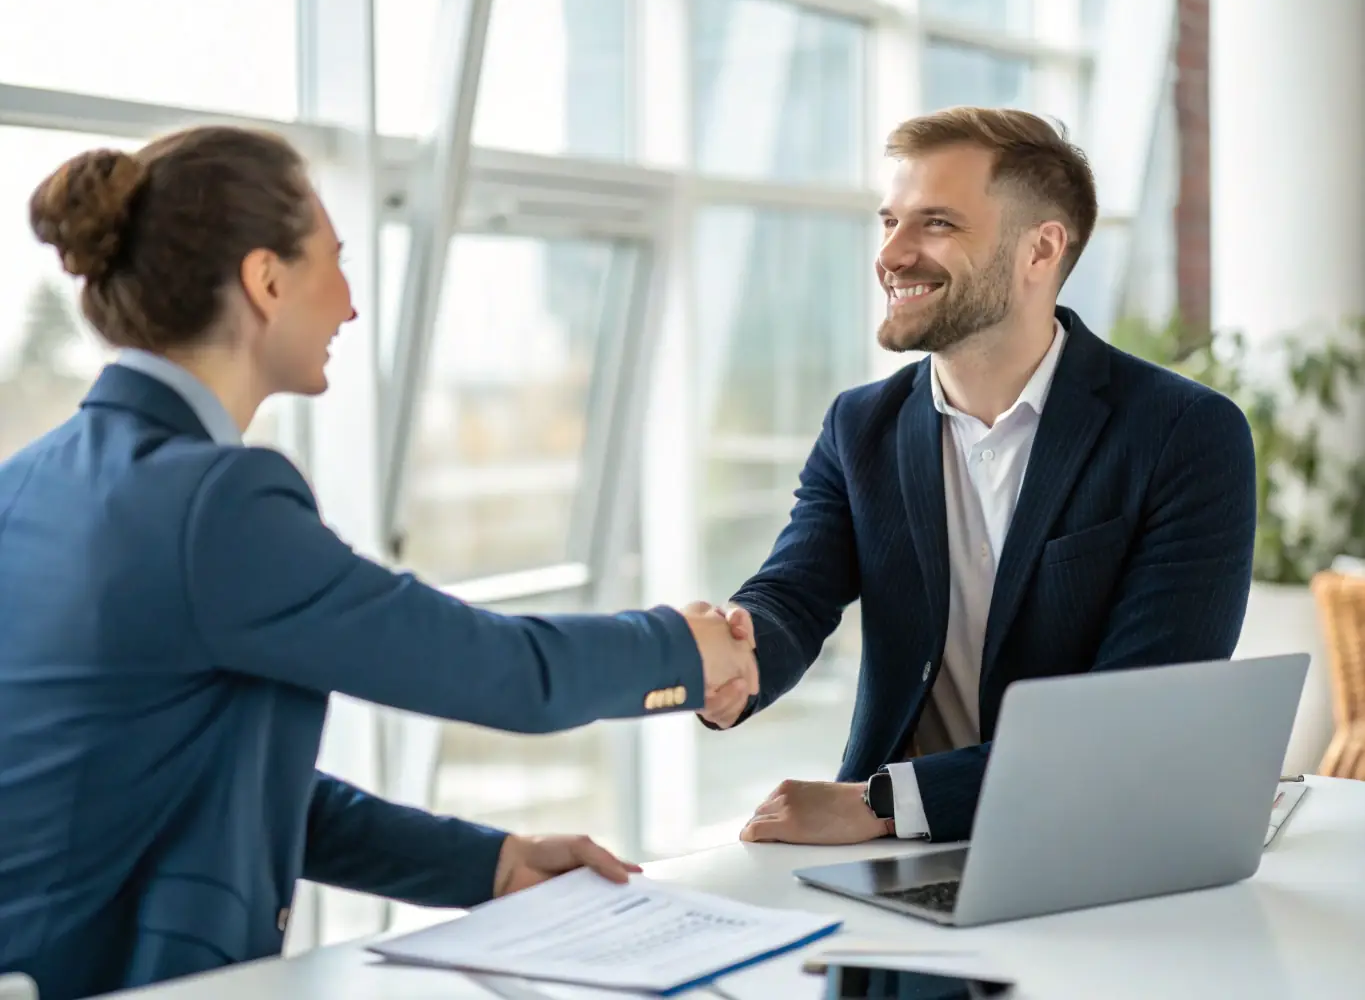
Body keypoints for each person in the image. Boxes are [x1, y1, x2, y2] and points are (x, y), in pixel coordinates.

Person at [0, 126, 758, 1000]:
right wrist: (686, 651)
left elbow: (218, 792)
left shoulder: (33, 480)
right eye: (336, 259)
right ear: (267, 280)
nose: (350, 304)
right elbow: (505, 674)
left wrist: (493, 865)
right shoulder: (215, 505)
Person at [696, 107, 1257, 848]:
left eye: (935, 224)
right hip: (892, 855)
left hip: (1092, 847)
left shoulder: (1183, 433)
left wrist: (881, 803)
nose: (891, 255)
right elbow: (793, 595)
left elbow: (1133, 713)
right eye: (888, 221)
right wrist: (731, 659)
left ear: (1040, 250)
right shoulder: (859, 426)